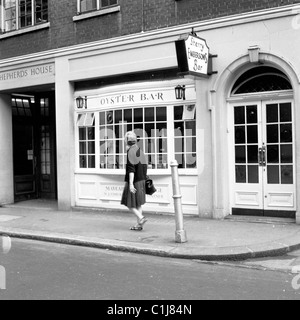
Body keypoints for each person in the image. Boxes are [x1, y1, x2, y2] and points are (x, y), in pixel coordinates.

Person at [121, 131, 148, 231]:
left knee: (128, 203)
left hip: (134, 181)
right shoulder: (139, 151)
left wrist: (131, 184)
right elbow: (145, 166)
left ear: (126, 141)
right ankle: (139, 225)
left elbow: (131, 169)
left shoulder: (130, 152)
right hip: (141, 180)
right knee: (138, 204)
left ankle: (141, 218)